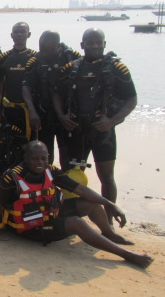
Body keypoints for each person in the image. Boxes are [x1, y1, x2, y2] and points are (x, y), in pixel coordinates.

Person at [0, 141, 152, 269]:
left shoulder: (51, 170)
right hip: (30, 226)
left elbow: (80, 189)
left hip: (49, 213)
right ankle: (127, 255)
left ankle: (109, 233)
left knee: (92, 204)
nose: (40, 163)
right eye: (35, 159)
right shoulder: (12, 177)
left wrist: (109, 204)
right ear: (25, 159)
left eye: (43, 158)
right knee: (76, 222)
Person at [53, 28, 137, 224]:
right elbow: (56, 94)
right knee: (71, 175)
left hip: (103, 130)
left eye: (98, 42)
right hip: (76, 129)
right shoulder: (71, 68)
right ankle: (72, 215)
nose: (94, 46)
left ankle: (107, 220)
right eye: (89, 42)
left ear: (105, 44)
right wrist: (62, 116)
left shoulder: (117, 68)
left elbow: (131, 99)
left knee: (106, 176)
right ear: (82, 45)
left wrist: (111, 121)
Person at [21, 31, 80, 166]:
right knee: (45, 152)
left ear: (58, 46)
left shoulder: (72, 58)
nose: (44, 53)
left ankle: (64, 182)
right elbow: (25, 87)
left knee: (66, 153)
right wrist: (32, 111)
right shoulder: (35, 61)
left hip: (66, 115)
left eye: (48, 50)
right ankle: (47, 181)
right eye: (42, 49)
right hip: (43, 113)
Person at [0, 22, 37, 138]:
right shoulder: (3, 58)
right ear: (11, 35)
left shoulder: (35, 57)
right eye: (16, 32)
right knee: (10, 143)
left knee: (30, 145)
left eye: (22, 31)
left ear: (29, 34)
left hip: (29, 111)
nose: (19, 35)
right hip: (9, 110)